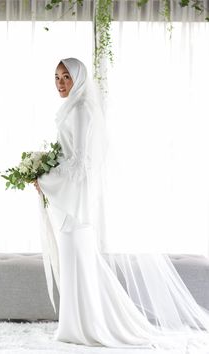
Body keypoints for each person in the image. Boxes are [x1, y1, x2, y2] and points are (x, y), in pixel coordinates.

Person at [34, 58, 209, 351]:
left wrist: (45, 178)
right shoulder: (74, 108)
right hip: (75, 201)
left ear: (78, 79)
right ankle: (78, 324)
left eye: (66, 77)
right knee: (77, 261)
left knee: (78, 260)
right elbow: (72, 159)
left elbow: (80, 164)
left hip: (76, 203)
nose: (60, 83)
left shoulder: (79, 111)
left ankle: (86, 326)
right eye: (57, 77)